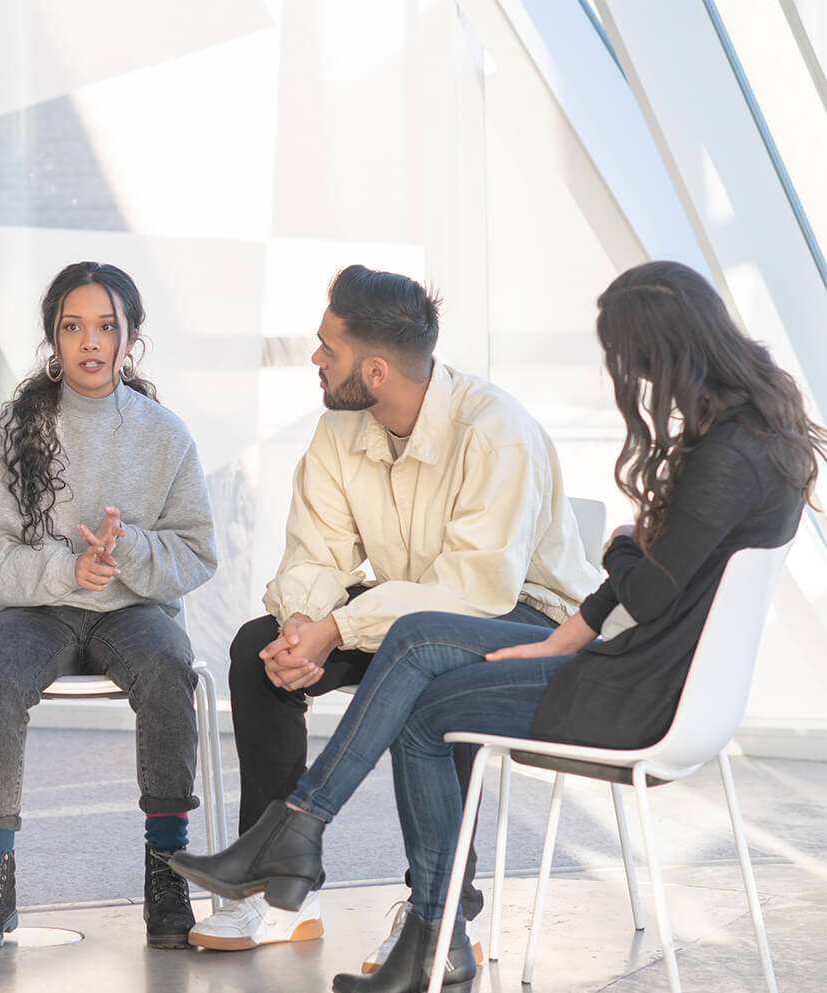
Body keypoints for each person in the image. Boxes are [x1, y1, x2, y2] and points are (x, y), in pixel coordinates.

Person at [170, 260, 823, 993]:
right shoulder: (744, 444)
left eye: (629, 360)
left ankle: (330, 854)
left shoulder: (703, 454)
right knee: (306, 655)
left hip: (578, 651)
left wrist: (613, 555)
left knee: (420, 651)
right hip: (591, 655)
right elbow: (319, 554)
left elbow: (610, 585)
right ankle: (398, 912)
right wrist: (303, 626)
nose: (627, 380)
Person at [190, 264, 601, 956]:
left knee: (440, 671)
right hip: (405, 610)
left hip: (525, 617)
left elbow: (474, 592)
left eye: (329, 349)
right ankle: (283, 889)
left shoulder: (495, 432)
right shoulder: (340, 429)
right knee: (257, 650)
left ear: (375, 370)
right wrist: (299, 626)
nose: (315, 361)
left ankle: (439, 909)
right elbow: (315, 554)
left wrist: (338, 628)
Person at [0, 261, 219, 950]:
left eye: (106, 326)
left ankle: (167, 869)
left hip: (133, 611)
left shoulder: (165, 435)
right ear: (54, 338)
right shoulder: (17, 429)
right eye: (73, 326)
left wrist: (123, 550)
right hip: (38, 608)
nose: (90, 342)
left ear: (131, 339)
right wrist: (70, 568)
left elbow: (195, 555)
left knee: (167, 668)